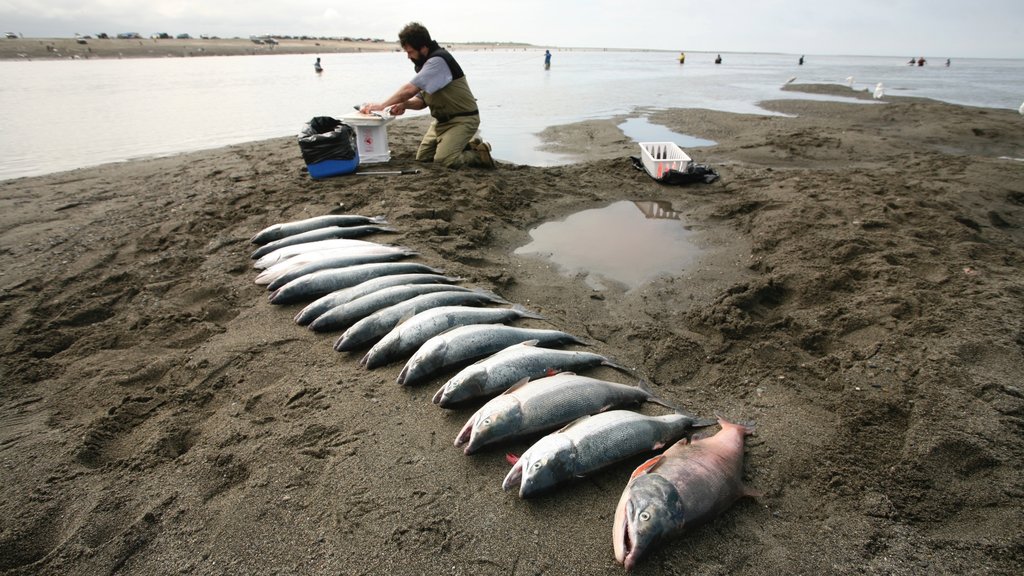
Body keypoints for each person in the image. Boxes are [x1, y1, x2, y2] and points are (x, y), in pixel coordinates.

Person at [359, 22, 493, 169]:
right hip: (441, 122)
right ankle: (469, 145)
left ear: (423, 48)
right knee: (423, 159)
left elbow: (409, 90)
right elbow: (422, 101)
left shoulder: (438, 61)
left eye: (410, 52)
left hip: (463, 119)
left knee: (445, 161)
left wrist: (381, 105)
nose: (408, 56)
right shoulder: (425, 64)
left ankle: (478, 155)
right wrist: (404, 105)